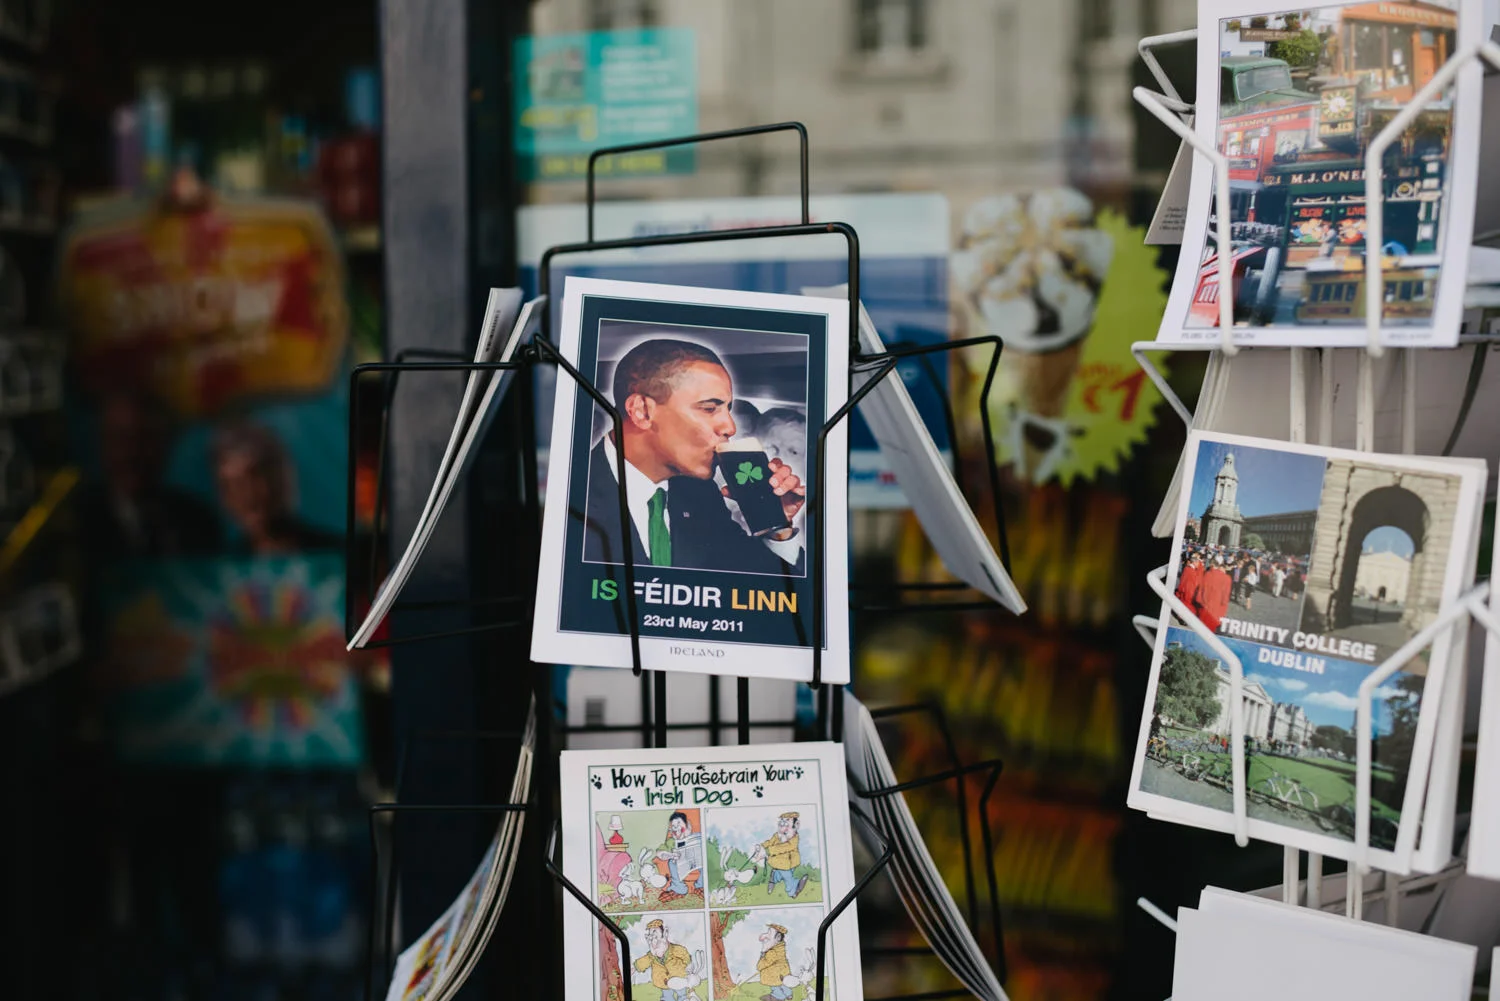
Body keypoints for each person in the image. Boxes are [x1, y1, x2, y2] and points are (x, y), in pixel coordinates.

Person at [582, 338, 805, 573]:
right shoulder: (569, 493)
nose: (730, 427)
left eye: (727, 409)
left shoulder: (700, 495)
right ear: (642, 411)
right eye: (709, 408)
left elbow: (758, 593)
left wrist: (773, 523)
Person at [82, 390, 221, 558]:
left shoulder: (198, 521)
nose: (131, 453)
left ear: (166, 445)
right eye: (120, 438)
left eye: (144, 438)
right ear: (101, 444)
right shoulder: (78, 521)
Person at [213, 421, 339, 554]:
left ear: (285, 479)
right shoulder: (223, 564)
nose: (247, 495)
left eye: (256, 476)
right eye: (234, 485)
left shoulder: (335, 555)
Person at [751, 812, 808, 899]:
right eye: (782, 822)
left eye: (787, 823)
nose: (783, 826)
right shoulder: (777, 835)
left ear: (795, 825)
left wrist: (768, 850)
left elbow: (786, 847)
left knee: (787, 872)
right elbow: (770, 842)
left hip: (791, 862)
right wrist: (762, 846)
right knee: (788, 878)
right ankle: (793, 891)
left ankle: (774, 877)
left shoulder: (794, 838)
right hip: (781, 863)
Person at [634, 919, 693, 1001]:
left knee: (682, 996)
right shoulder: (651, 955)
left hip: (679, 979)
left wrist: (689, 970)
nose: (654, 941)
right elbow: (641, 963)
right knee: (667, 997)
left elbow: (687, 958)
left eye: (656, 936)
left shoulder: (676, 950)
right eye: (651, 937)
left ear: (664, 934)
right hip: (663, 984)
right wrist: (634, 968)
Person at [654, 811, 702, 903]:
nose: (676, 828)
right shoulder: (671, 841)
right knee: (671, 862)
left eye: (679, 823)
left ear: (687, 825)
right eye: (673, 826)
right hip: (679, 863)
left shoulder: (694, 837)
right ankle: (679, 889)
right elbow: (660, 853)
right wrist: (671, 855)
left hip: (695, 861)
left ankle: (700, 886)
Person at [1194, 555, 1233, 632]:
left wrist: (1199, 600)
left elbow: (1201, 589)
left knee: (1202, 626)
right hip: (1217, 606)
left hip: (1205, 603)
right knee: (1212, 626)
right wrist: (1224, 604)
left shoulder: (1208, 574)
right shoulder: (1227, 579)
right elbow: (1225, 597)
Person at [756, 924, 794, 1001]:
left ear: (778, 937)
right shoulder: (780, 948)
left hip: (774, 974)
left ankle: (778, 997)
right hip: (781, 972)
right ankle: (788, 994)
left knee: (775, 986)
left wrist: (762, 955)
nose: (766, 936)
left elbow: (764, 964)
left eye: (769, 934)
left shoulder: (772, 952)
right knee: (782, 985)